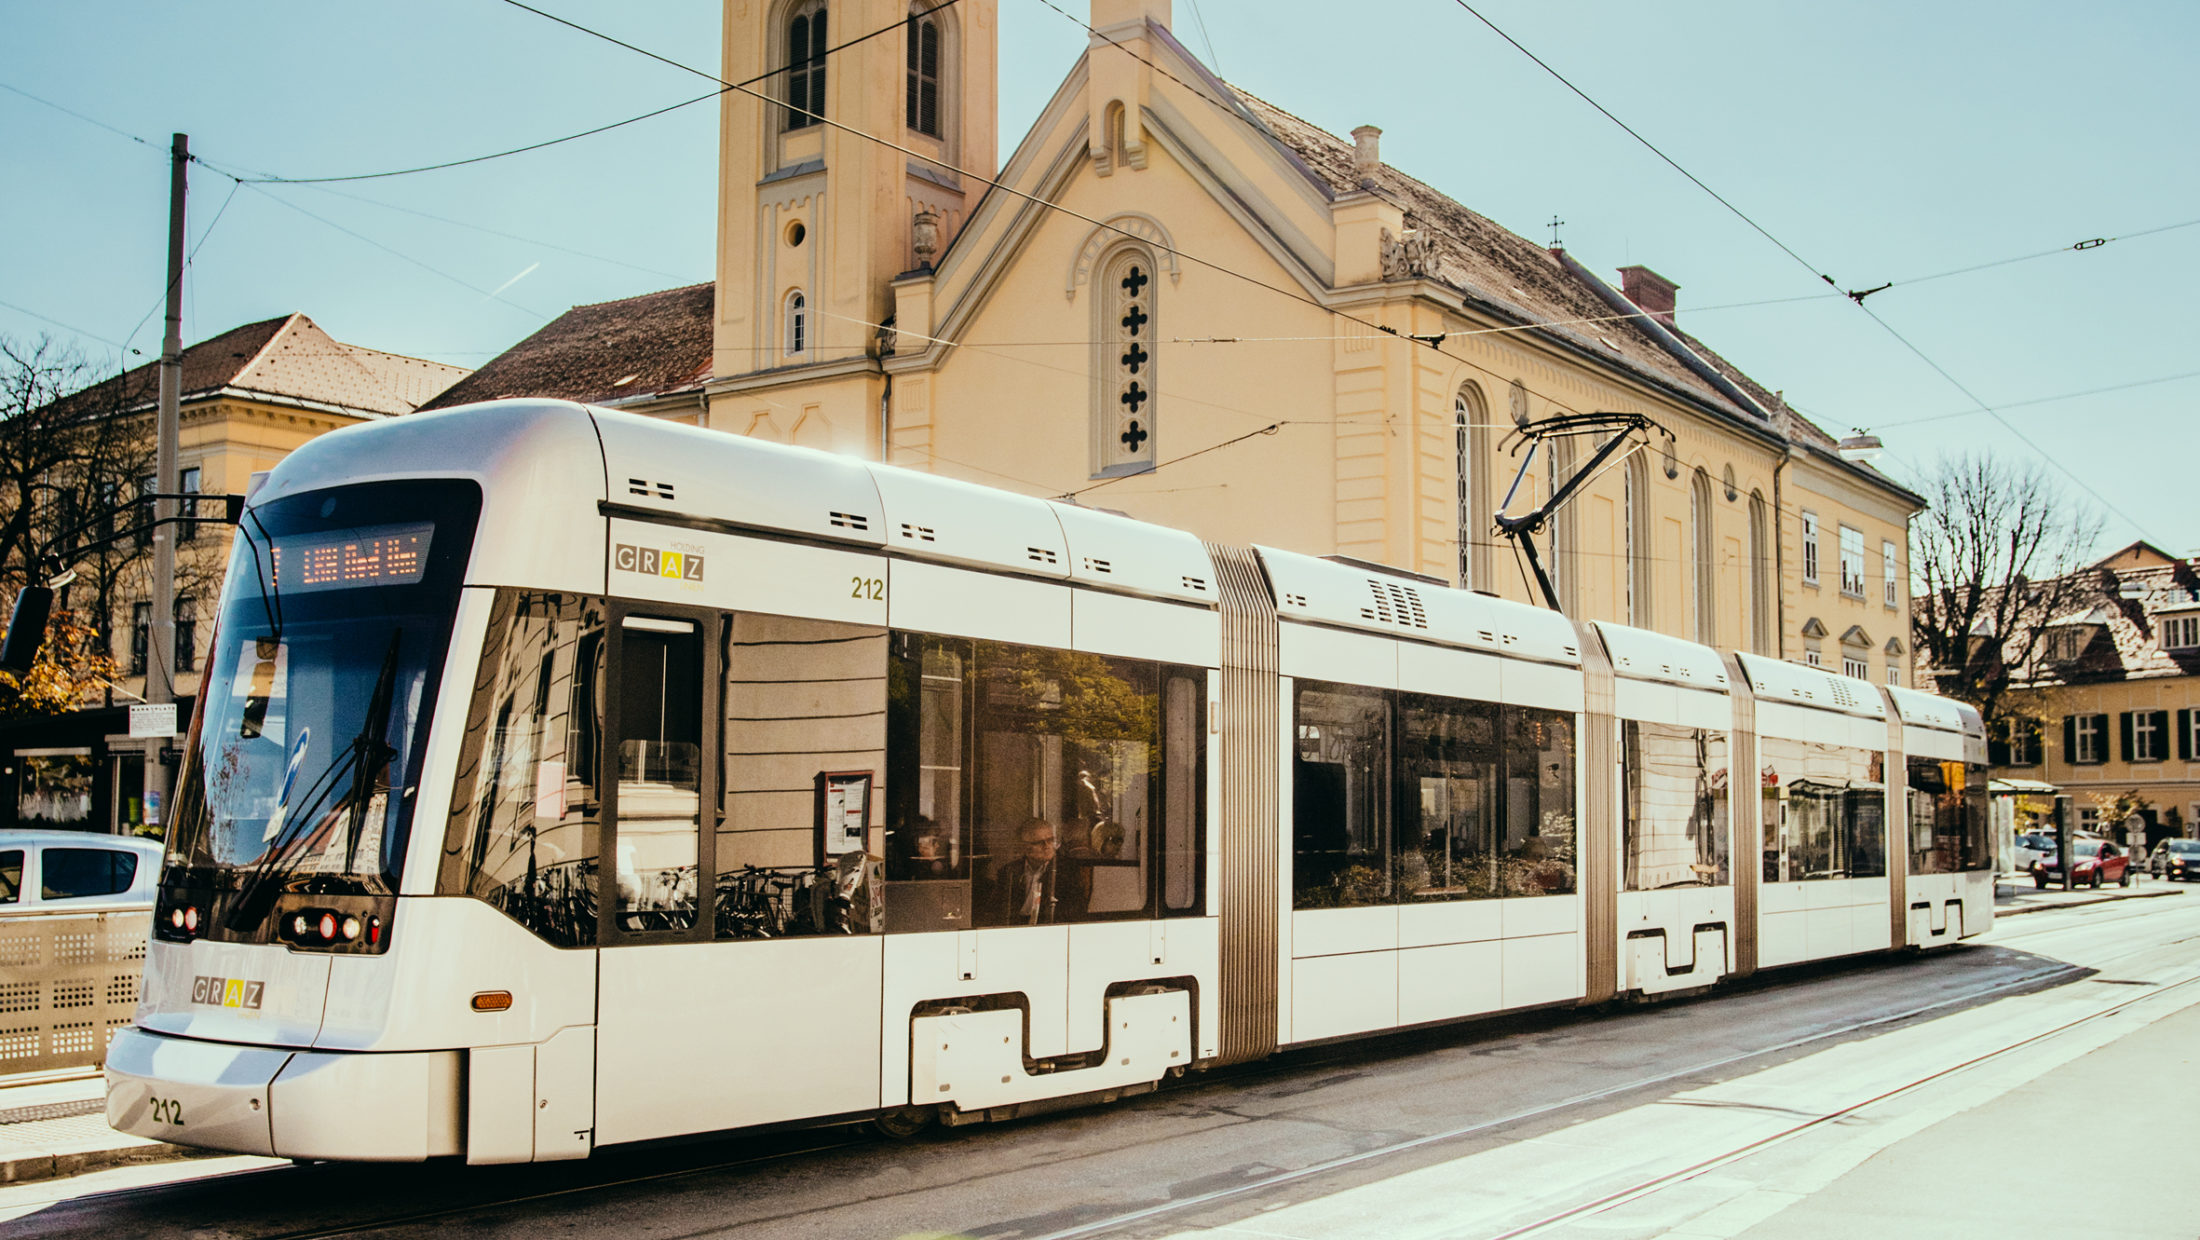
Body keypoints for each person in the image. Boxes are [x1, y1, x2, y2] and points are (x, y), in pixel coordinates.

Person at [982, 817, 1085, 926]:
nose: (1047, 846)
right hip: (1015, 928)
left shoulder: (1067, 870)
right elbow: (995, 911)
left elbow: (1074, 912)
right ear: (1024, 847)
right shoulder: (1010, 871)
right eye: (1040, 843)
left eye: (1050, 840)